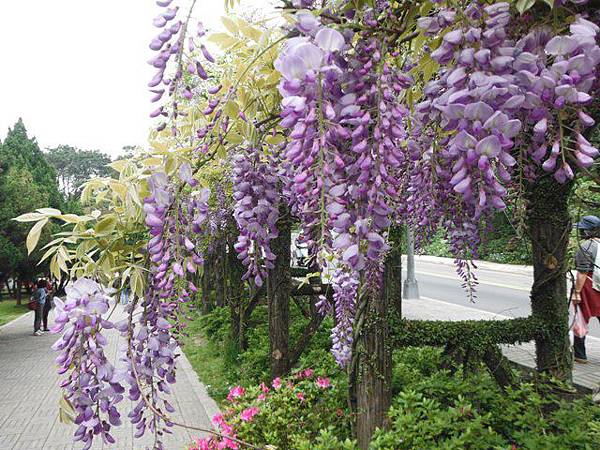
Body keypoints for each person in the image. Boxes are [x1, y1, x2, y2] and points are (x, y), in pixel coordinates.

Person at [572, 215, 600, 363]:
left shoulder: (586, 247)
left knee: (581, 319)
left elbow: (582, 273)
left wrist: (577, 292)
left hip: (589, 287)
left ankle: (580, 355)